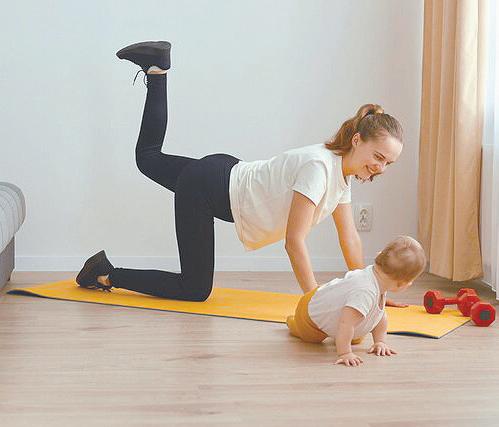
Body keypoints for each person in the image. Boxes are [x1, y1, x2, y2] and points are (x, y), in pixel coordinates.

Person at [76, 40, 406, 306]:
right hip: (207, 188)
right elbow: (294, 242)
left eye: (388, 163)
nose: (380, 167)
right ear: (357, 140)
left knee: (147, 158)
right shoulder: (319, 168)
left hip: (221, 173)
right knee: (195, 289)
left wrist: (372, 290)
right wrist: (313, 301)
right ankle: (106, 274)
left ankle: (157, 68)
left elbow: (349, 237)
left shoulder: (340, 174)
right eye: (378, 157)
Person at [286, 236, 427, 367]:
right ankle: (293, 322)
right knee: (313, 337)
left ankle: (341, 336)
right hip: (310, 311)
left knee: (356, 336)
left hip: (333, 308)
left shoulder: (378, 280)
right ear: (401, 284)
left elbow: (379, 315)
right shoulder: (365, 292)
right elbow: (346, 324)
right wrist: (345, 353)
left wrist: (380, 342)